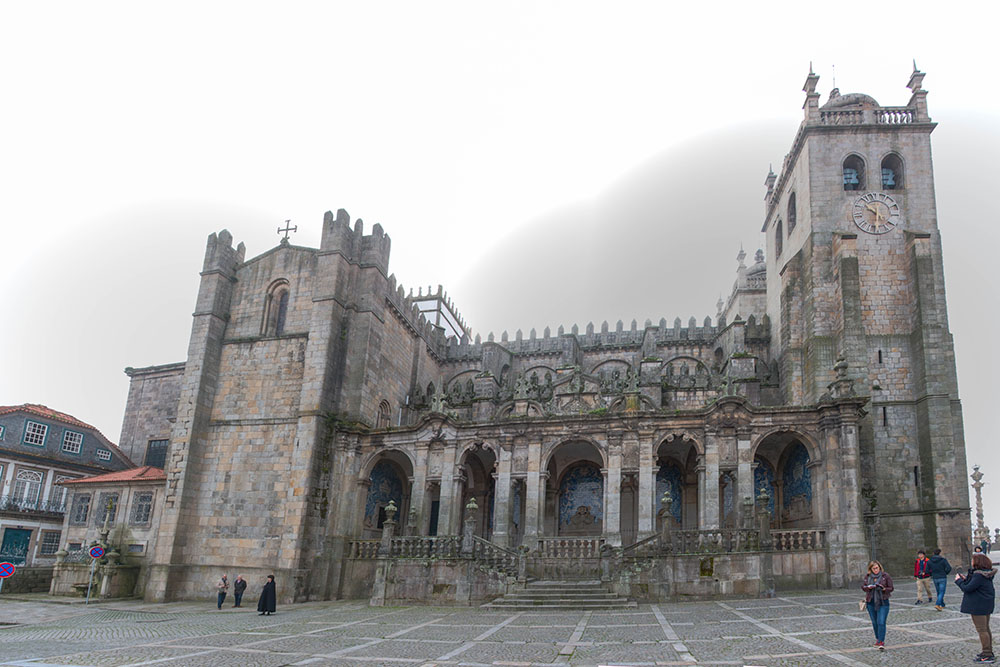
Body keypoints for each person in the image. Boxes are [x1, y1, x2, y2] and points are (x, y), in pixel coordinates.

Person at [956, 552, 997, 663]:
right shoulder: (985, 574)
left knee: (982, 630)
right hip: (985, 604)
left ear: (977, 562)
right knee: (986, 629)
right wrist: (966, 579)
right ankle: (988, 651)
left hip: (978, 605)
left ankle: (987, 654)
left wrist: (959, 581)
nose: (972, 562)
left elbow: (968, 588)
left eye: (973, 560)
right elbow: (974, 585)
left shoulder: (978, 575)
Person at [862, 560, 893, 650]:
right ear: (870, 569)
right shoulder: (868, 577)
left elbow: (891, 588)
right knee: (875, 622)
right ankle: (878, 639)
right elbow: (863, 587)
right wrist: (868, 588)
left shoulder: (885, 576)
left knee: (881, 621)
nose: (876, 570)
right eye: (873, 568)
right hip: (871, 601)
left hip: (883, 601)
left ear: (880, 567)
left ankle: (881, 641)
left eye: (877, 568)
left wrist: (883, 589)